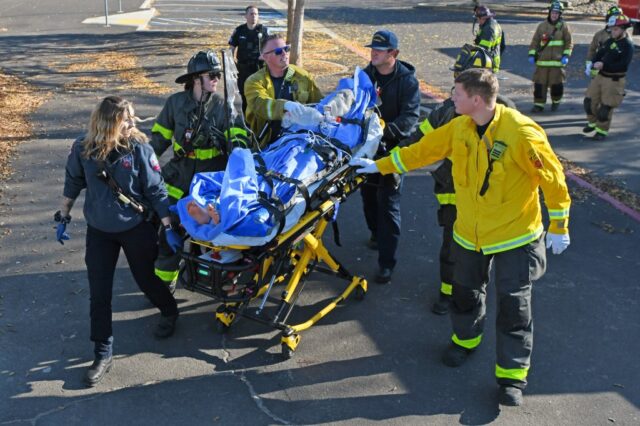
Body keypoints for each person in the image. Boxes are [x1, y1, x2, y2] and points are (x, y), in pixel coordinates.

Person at [351, 68, 571, 406]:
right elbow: (422, 152)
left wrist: (559, 225)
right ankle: (466, 341)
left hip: (515, 235)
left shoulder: (521, 133)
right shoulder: (459, 128)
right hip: (469, 233)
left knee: (515, 305)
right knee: (465, 293)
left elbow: (553, 179)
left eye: (456, 92)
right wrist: (379, 166)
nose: (449, 97)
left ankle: (512, 376)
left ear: (476, 99)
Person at [55, 96, 181, 387]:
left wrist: (167, 227)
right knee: (99, 293)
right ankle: (102, 352)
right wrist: (63, 214)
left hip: (135, 228)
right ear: (109, 122)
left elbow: (156, 191)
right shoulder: (82, 149)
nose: (133, 123)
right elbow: (73, 181)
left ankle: (170, 310)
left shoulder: (138, 148)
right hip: (99, 231)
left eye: (133, 117)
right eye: (127, 119)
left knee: (146, 279)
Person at [410, 45, 516, 315]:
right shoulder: (448, 110)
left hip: (491, 198)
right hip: (454, 192)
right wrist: (386, 155)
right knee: (452, 248)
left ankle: (472, 292)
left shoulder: (507, 113)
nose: (454, 90)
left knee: (483, 250)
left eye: (460, 79)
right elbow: (419, 139)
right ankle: (449, 293)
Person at [150, 50, 248, 290]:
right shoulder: (175, 104)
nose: (216, 79)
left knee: (212, 229)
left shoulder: (224, 107)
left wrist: (234, 143)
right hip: (178, 176)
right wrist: (141, 166)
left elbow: (239, 139)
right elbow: (157, 141)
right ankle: (165, 284)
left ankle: (215, 275)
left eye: (218, 74)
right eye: (211, 75)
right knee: (164, 227)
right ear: (196, 79)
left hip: (208, 181)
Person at [360, 29, 420, 284]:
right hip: (367, 151)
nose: (373, 52)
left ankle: (387, 263)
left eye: (379, 49)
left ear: (393, 54)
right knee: (368, 198)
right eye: (372, 48)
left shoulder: (407, 82)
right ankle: (375, 233)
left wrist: (384, 132)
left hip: (393, 151)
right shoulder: (365, 75)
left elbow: (410, 118)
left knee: (389, 206)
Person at [244, 33, 323, 146]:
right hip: (268, 144)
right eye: (278, 51)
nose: (284, 54)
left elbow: (319, 103)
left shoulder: (302, 76)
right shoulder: (254, 81)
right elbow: (260, 104)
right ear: (264, 57)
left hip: (302, 140)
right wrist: (285, 106)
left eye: (286, 49)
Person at [582, 15, 634, 141]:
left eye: (615, 29)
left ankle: (601, 131)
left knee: (606, 108)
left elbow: (622, 65)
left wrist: (604, 65)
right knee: (589, 101)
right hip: (600, 76)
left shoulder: (627, 45)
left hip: (614, 80)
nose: (612, 31)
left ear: (623, 29)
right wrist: (592, 63)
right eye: (612, 29)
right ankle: (593, 123)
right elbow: (599, 54)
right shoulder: (610, 41)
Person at [528, 1, 572, 112]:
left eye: (557, 13)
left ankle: (556, 102)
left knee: (557, 85)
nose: (554, 15)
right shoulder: (542, 26)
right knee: (539, 86)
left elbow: (569, 42)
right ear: (549, 12)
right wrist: (532, 54)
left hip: (557, 63)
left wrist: (566, 55)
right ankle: (539, 105)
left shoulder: (564, 27)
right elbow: (535, 41)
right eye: (553, 12)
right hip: (542, 63)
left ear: (560, 14)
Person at [228, 5, 269, 113]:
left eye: (256, 14)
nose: (254, 16)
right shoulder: (239, 31)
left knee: (259, 92)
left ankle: (258, 115)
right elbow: (231, 49)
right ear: (245, 16)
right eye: (251, 14)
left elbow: (270, 48)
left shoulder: (263, 31)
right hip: (243, 69)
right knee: (243, 93)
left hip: (258, 68)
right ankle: (246, 118)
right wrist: (231, 66)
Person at [585, 5, 622, 78]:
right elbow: (592, 50)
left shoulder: (624, 37)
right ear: (608, 19)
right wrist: (589, 64)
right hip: (598, 70)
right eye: (613, 18)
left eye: (618, 18)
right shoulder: (599, 34)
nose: (615, 21)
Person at [472, 5, 503, 72]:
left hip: (488, 63)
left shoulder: (488, 29)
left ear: (483, 18)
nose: (477, 21)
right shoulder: (493, 24)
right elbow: (503, 46)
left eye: (477, 19)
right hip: (492, 60)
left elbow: (484, 49)